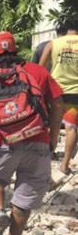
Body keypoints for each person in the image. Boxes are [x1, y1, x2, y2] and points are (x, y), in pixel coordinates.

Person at [0, 31, 63, 235]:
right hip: (38, 140)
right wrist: (53, 136)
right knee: (24, 199)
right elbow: (58, 102)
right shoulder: (39, 71)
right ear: (15, 49)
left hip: (5, 142)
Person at [38, 20, 78, 174]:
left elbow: (40, 69)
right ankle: (64, 165)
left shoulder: (53, 43)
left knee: (53, 124)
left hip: (55, 91)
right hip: (76, 92)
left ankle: (49, 156)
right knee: (72, 128)